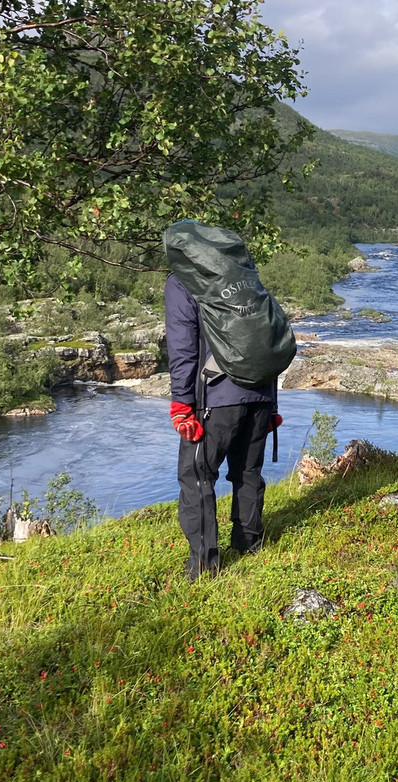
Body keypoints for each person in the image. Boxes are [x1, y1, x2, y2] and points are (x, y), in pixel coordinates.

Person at [164, 237, 280, 583]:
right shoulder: (245, 276)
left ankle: (203, 568)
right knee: (247, 472)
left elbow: (183, 348)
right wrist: (272, 403)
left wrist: (182, 404)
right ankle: (250, 545)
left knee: (197, 477)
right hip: (260, 393)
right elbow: (266, 339)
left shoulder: (182, 282)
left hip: (214, 398)